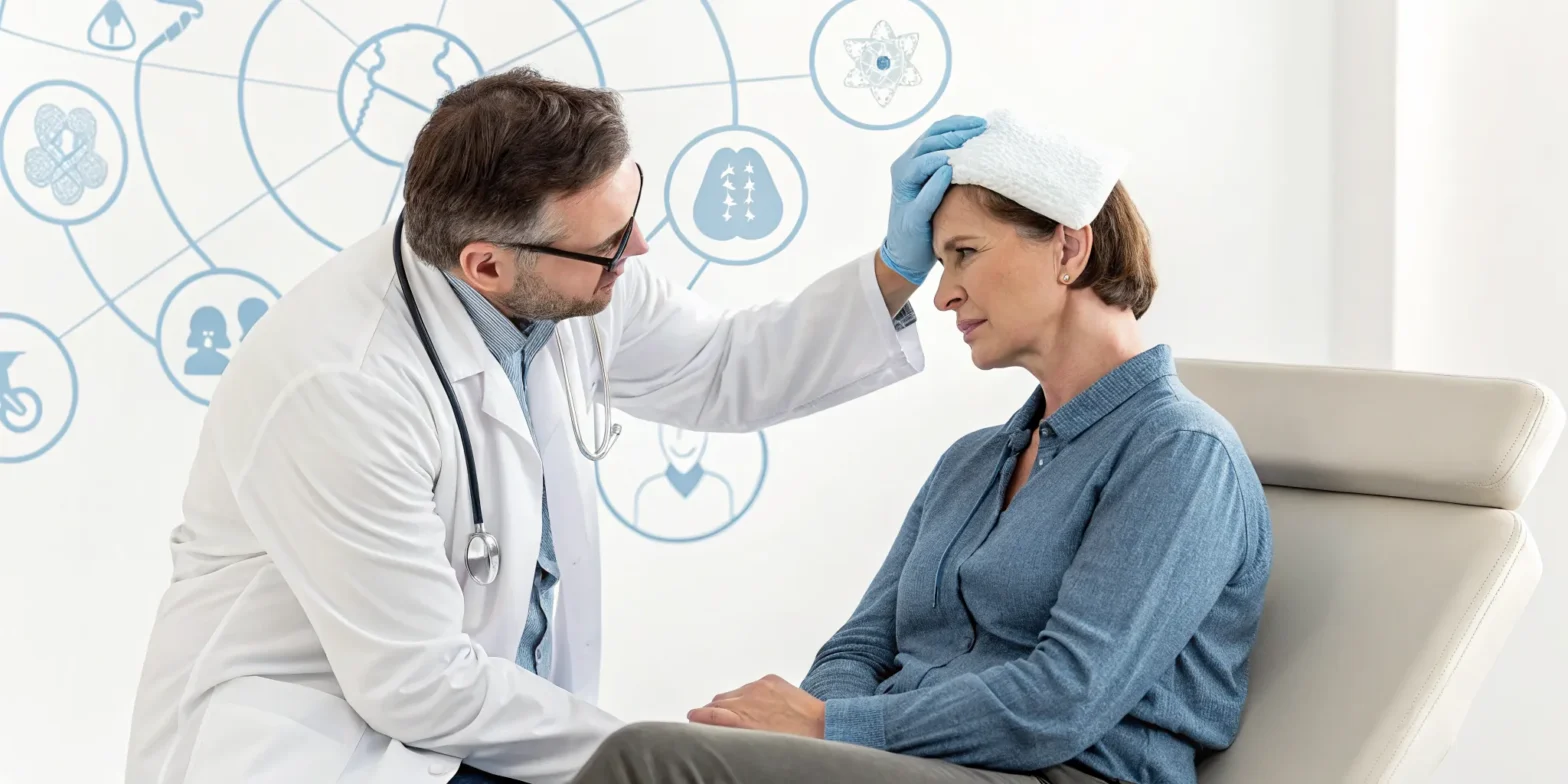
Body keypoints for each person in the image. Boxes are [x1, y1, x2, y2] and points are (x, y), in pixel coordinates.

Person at [122, 68, 987, 784]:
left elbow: (720, 365)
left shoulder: (565, 272)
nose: (639, 248)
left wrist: (891, 272)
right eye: (612, 243)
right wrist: (647, 756)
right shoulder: (341, 385)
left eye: (632, 206)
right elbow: (417, 687)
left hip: (474, 733)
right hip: (326, 747)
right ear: (488, 263)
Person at [570, 112, 1273, 784]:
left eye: (963, 254)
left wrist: (831, 727)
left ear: (1069, 246)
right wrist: (821, 726)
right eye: (940, 262)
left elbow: (1059, 703)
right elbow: (858, 648)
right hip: (918, 764)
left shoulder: (1179, 452)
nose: (943, 296)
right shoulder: (974, 461)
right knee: (690, 749)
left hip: (1062, 773)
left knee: (652, 763)